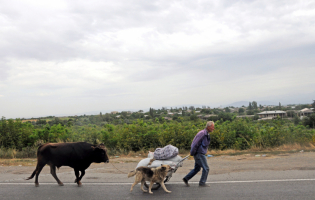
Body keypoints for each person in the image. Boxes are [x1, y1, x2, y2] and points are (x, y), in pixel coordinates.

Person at [183, 121, 214, 187]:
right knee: (206, 168)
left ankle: (186, 179)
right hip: (199, 154)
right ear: (208, 127)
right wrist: (192, 152)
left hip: (200, 153)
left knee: (197, 169)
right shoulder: (202, 133)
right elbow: (195, 144)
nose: (213, 128)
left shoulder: (206, 134)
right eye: (212, 127)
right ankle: (202, 183)